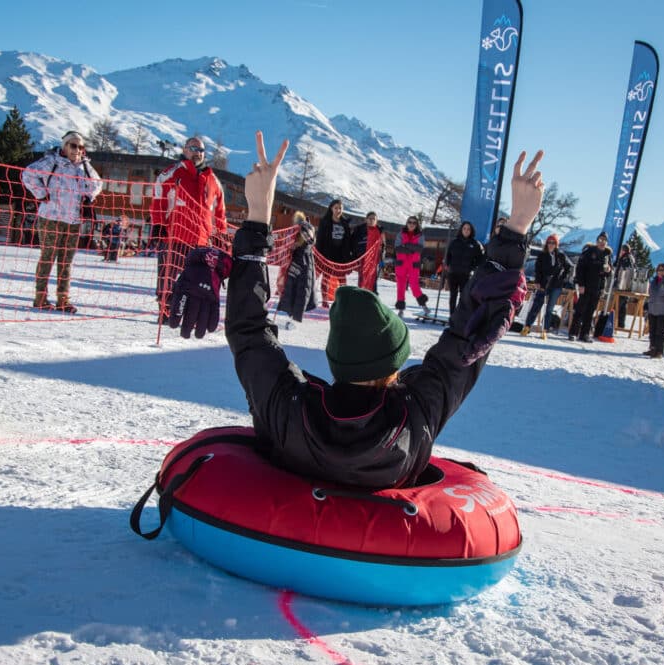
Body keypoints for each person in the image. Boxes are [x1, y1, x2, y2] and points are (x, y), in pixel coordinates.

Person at [218, 132, 542, 489]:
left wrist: (258, 216)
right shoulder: (414, 415)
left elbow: (248, 331)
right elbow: (465, 342)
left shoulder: (287, 405)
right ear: (394, 364)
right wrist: (516, 229)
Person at [22, 130, 102, 313]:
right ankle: (40, 297)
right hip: (50, 217)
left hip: (73, 220)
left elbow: (97, 184)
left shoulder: (85, 167)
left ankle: (63, 299)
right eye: (73, 145)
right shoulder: (51, 162)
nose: (77, 150)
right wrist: (41, 194)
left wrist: (88, 198)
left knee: (66, 261)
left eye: (80, 146)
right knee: (48, 257)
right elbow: (28, 175)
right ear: (65, 146)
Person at [150, 136, 227, 306]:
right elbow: (158, 198)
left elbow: (220, 211)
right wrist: (158, 224)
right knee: (167, 278)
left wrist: (220, 234)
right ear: (185, 150)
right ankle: (165, 309)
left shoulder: (213, 180)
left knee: (196, 282)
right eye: (193, 149)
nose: (197, 153)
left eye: (201, 150)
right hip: (175, 237)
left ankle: (187, 312)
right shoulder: (172, 173)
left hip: (200, 242)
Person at [521, 233, 571, 337]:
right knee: (537, 305)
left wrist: (563, 279)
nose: (551, 244)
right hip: (543, 284)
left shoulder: (561, 255)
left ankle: (545, 329)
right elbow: (537, 270)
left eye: (553, 242)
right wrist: (538, 282)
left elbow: (569, 267)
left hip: (556, 285)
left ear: (556, 244)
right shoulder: (542, 255)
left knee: (550, 308)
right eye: (549, 242)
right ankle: (527, 326)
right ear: (547, 243)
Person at [275, 211, 317, 329]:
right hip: (295, 261)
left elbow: (309, 240)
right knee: (292, 289)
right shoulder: (296, 230)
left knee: (301, 290)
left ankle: (295, 318)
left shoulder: (305, 228)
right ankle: (291, 315)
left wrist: (297, 243)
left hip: (302, 262)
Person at [568, 232, 612, 343]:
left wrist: (608, 271)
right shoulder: (589, 252)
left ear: (607, 242)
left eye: (604, 240)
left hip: (597, 287)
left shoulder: (607, 255)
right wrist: (581, 284)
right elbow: (580, 269)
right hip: (586, 285)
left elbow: (607, 274)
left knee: (590, 312)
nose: (602, 242)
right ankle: (573, 333)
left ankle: (585, 334)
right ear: (597, 241)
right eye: (600, 240)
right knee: (580, 310)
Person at [315, 199, 353, 306]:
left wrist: (348, 257)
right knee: (326, 277)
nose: (338, 210)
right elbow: (320, 239)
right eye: (336, 208)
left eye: (340, 208)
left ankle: (344, 300)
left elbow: (348, 241)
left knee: (342, 279)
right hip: (327, 254)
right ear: (331, 208)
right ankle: (325, 300)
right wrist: (319, 256)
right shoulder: (325, 222)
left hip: (341, 255)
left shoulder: (345, 223)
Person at [444, 221, 484, 315]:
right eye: (464, 228)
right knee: (453, 295)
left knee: (464, 297)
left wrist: (473, 268)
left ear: (471, 231)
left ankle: (460, 317)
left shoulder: (475, 244)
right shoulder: (454, 242)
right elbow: (448, 256)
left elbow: (481, 259)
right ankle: (452, 315)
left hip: (466, 275)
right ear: (461, 229)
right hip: (453, 273)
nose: (466, 231)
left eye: (468, 229)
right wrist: (448, 265)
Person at [394, 216, 430, 317]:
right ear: (407, 223)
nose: (412, 224)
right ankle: (401, 309)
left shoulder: (420, 235)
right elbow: (397, 248)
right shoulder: (401, 233)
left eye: (414, 223)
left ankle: (423, 305)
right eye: (410, 222)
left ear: (417, 224)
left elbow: (419, 249)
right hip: (401, 264)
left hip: (413, 265)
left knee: (414, 285)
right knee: (400, 286)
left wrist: (406, 245)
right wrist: (411, 248)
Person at [643, 262, 664, 358]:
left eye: (662, 270)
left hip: (663, 311)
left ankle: (659, 351)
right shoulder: (654, 281)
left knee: (660, 332)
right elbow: (650, 294)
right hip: (653, 309)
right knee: (652, 330)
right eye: (659, 270)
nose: (660, 272)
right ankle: (652, 348)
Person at [351, 211, 383, 292]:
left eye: (374, 219)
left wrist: (381, 258)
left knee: (373, 279)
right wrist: (355, 256)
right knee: (362, 278)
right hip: (363, 258)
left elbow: (382, 246)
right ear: (366, 219)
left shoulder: (379, 231)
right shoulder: (359, 229)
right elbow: (353, 243)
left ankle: (372, 296)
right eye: (370, 218)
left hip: (374, 261)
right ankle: (361, 295)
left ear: (376, 221)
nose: (372, 220)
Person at [614, 243, 635, 329]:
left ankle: (614, 322)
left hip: (623, 285)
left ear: (623, 251)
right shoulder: (630, 258)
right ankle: (620, 324)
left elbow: (624, 271)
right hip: (627, 286)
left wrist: (618, 281)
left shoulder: (626, 259)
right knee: (623, 305)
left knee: (618, 304)